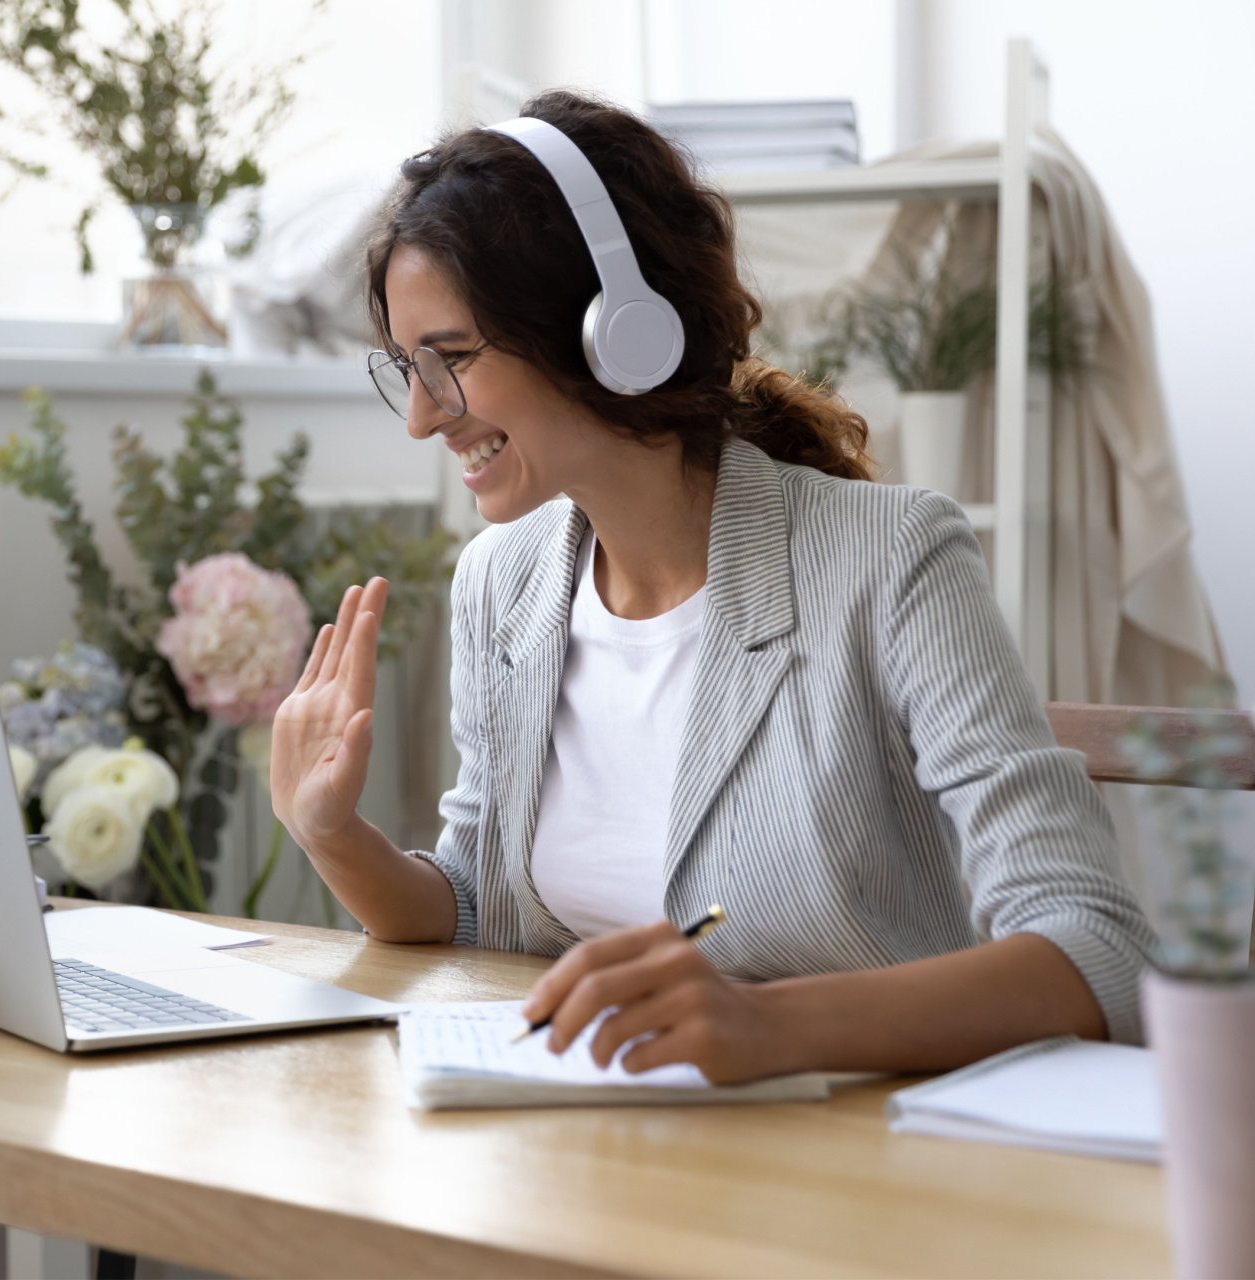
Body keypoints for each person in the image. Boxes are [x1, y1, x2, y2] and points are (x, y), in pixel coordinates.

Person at [268, 89, 1154, 1085]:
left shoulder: (892, 561)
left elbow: (1100, 953)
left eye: (454, 359)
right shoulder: (503, 582)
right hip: (581, 1157)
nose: (424, 419)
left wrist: (770, 1025)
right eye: (406, 369)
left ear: (611, 327)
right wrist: (334, 834)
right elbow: (478, 908)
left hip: (856, 1172)